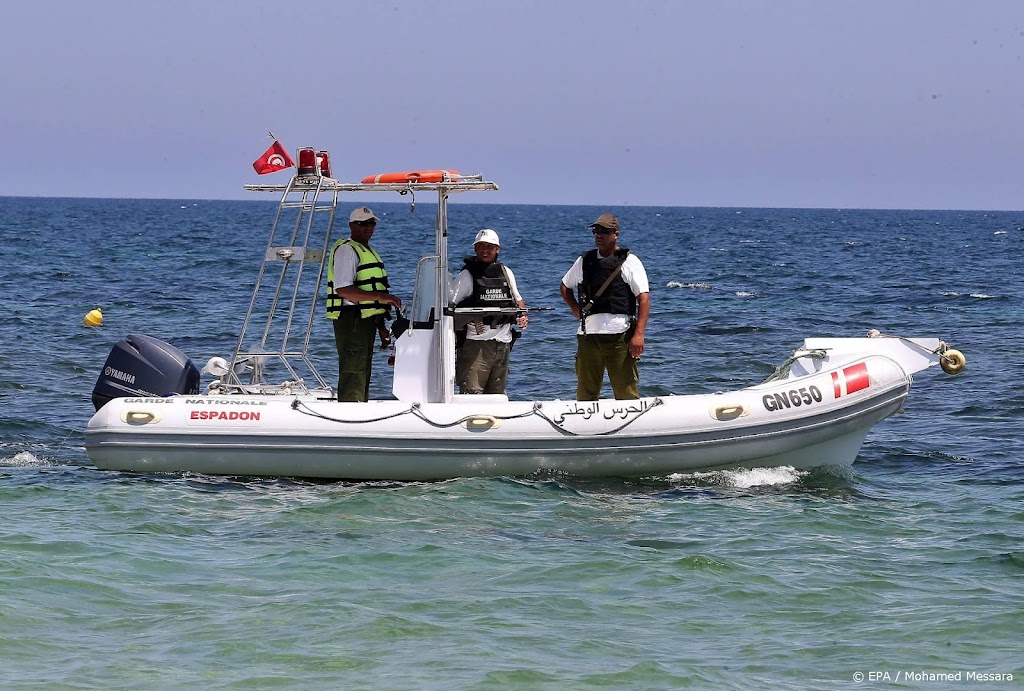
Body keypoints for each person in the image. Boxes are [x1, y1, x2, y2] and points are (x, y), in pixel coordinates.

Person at [559, 213, 650, 401]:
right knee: (586, 392)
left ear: (615, 234)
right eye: (596, 231)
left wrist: (639, 335)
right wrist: (574, 308)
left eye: (604, 231)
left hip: (619, 338)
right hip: (588, 337)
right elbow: (565, 286)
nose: (599, 235)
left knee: (626, 391)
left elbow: (644, 299)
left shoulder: (629, 261)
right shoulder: (584, 261)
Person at [326, 206, 402, 402]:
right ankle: (350, 411)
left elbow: (367, 304)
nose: (368, 227)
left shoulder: (368, 251)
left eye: (371, 223)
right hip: (351, 321)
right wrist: (383, 297)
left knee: (363, 367)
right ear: (352, 225)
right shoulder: (347, 250)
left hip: (366, 321)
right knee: (353, 369)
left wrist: (381, 327)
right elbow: (344, 290)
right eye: (362, 223)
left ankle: (360, 406)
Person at [450, 228, 528, 395]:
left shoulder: (506, 272)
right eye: (481, 246)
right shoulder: (466, 275)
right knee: (472, 394)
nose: (485, 250)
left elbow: (518, 299)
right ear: (475, 249)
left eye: (489, 246)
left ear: (497, 249)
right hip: (476, 344)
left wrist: (522, 315)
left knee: (498, 395)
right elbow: (450, 307)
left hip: (503, 343)